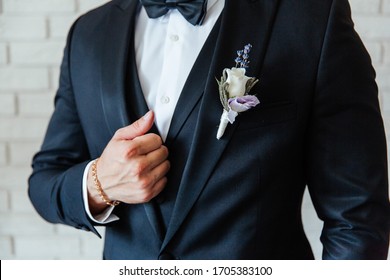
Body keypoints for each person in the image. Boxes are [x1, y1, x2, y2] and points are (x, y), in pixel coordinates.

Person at [28, 0, 390, 260]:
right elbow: (45, 181)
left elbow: (357, 217)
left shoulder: (312, 16)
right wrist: (99, 184)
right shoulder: (88, 35)